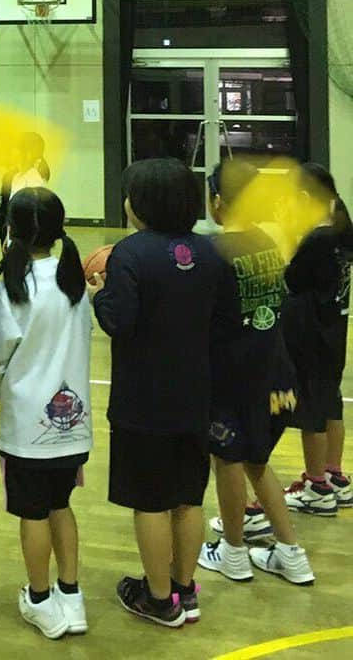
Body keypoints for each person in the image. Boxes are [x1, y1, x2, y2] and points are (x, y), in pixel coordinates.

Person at [92, 158, 235, 628]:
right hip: (198, 395)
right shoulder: (213, 253)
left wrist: (98, 294)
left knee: (150, 501)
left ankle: (158, 599)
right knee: (188, 499)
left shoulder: (130, 254)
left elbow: (118, 321)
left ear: (141, 204)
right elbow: (225, 322)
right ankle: (184, 587)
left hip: (143, 401)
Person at [0, 187, 91, 640]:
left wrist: (2, 391)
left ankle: (41, 599)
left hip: (28, 428)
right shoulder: (75, 285)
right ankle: (72, 594)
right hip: (73, 425)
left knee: (34, 514)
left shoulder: (11, 291)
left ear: (11, 230)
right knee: (61, 504)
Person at [198, 160, 314, 587]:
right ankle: (291, 554)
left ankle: (232, 552)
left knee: (228, 463)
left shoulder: (212, 252)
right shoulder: (269, 242)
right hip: (278, 378)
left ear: (216, 202)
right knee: (257, 462)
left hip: (235, 379)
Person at [282, 164, 353, 516]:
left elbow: (291, 281)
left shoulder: (317, 239)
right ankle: (334, 473)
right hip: (333, 332)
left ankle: (316, 486)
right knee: (330, 403)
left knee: (310, 413)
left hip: (310, 336)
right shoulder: (341, 227)